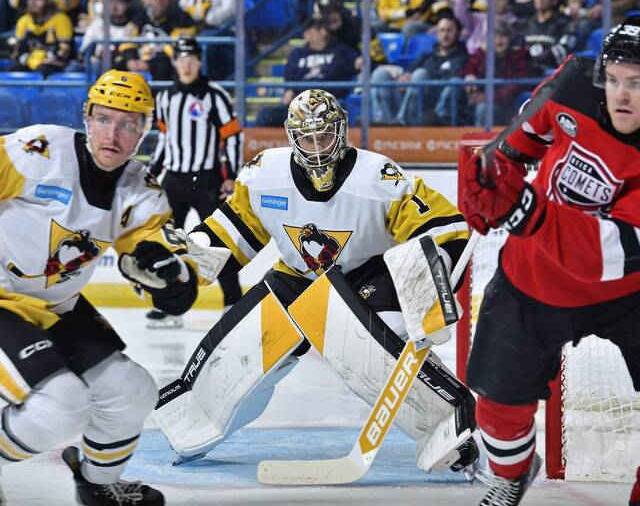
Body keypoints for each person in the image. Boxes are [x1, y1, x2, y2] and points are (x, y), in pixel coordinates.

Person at [154, 88, 480, 478]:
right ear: (291, 136)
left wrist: (430, 285)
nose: (317, 147)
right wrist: (185, 264)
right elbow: (229, 232)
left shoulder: (378, 176)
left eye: (324, 135)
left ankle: (448, 428)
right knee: (236, 353)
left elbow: (445, 227)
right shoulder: (264, 175)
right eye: (306, 138)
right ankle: (195, 423)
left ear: (341, 132)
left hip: (367, 275)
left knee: (377, 346)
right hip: (298, 278)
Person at [460, 18, 640, 506]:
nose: (622, 95)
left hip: (630, 292)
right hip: (533, 274)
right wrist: (489, 179)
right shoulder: (574, 84)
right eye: (616, 79)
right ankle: (513, 474)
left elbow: (613, 253)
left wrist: (521, 211)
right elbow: (517, 146)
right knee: (496, 401)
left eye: (638, 84)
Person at [0, 70, 199, 505]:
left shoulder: (141, 190)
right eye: (106, 119)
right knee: (62, 403)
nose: (115, 133)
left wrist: (171, 279)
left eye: (130, 124)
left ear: (145, 131)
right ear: (87, 118)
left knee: (133, 392)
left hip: (58, 308)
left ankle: (95, 485)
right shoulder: (37, 151)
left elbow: (154, 252)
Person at [146, 37, 242, 329]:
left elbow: (233, 137)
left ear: (200, 62)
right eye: (181, 58)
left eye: (192, 58)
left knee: (218, 243)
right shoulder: (164, 98)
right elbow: (164, 139)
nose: (186, 64)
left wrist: (233, 176)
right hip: (173, 180)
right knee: (165, 245)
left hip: (208, 179)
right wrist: (150, 171)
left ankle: (232, 303)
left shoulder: (215, 96)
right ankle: (170, 305)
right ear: (174, 62)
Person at [371, 11, 468, 126]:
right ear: (437, 34)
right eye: (442, 30)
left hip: (431, 109)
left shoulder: (463, 58)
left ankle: (402, 122)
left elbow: (450, 83)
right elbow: (409, 73)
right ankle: (383, 122)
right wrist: (405, 77)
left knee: (421, 74)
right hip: (410, 100)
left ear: (458, 33)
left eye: (449, 30)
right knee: (380, 74)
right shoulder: (426, 55)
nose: (445, 34)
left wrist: (419, 77)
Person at [255, 18, 357, 127]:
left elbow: (357, 63)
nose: (306, 34)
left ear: (323, 31)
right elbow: (289, 79)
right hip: (300, 106)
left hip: (328, 105)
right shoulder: (297, 54)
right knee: (265, 115)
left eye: (310, 30)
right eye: (305, 31)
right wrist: (289, 91)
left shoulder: (340, 51)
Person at [460, 20, 532, 126]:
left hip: (507, 107)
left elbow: (516, 86)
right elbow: (469, 66)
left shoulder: (520, 56)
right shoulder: (482, 54)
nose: (498, 41)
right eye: (494, 37)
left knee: (483, 109)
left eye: (503, 36)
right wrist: (469, 75)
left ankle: (480, 141)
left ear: (510, 38)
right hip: (480, 100)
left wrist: (489, 97)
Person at [8, 0, 73, 77]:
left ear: (48, 0)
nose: (33, 2)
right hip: (29, 62)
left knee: (43, 71)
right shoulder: (23, 20)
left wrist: (48, 59)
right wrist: (27, 60)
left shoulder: (61, 19)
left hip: (53, 63)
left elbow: (65, 48)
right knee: (13, 71)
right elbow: (17, 49)